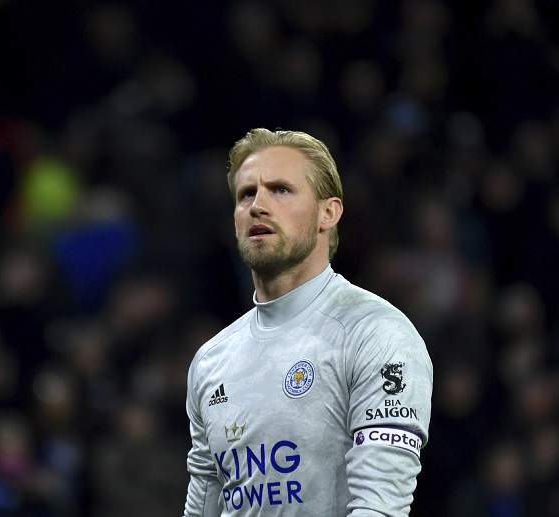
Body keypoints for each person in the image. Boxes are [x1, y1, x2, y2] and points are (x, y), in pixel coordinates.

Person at [183, 128, 433, 516]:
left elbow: (379, 507)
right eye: (246, 194)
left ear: (327, 213)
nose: (258, 206)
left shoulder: (377, 335)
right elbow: (203, 506)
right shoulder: (210, 361)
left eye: (280, 189)